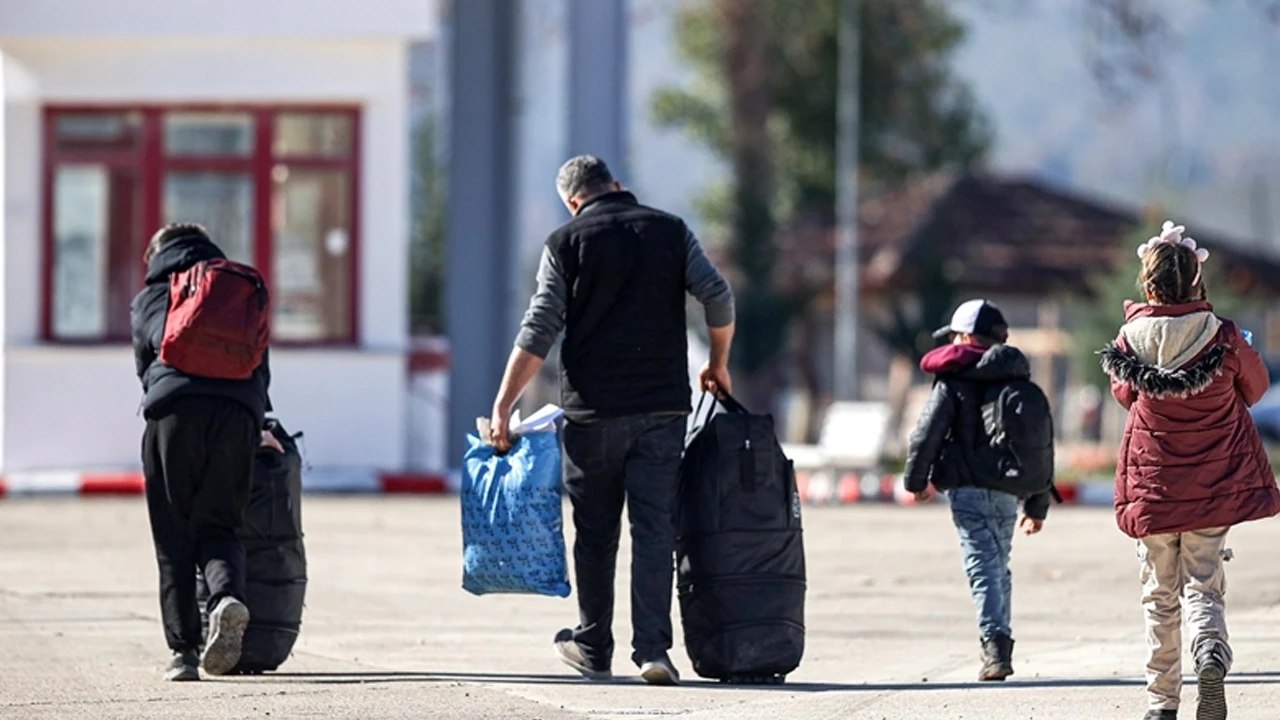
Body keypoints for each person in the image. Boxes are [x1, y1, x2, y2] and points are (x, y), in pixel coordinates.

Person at [488, 155, 735, 685]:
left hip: (592, 414)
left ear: (574, 201)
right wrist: (717, 364)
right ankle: (653, 652)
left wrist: (504, 405)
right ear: (617, 186)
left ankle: (594, 645)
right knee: (654, 531)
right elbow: (718, 295)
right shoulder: (670, 230)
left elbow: (539, 329)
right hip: (662, 409)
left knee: (595, 534)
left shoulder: (565, 243)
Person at [1099, 221, 1280, 720]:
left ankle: (1161, 703)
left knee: (1158, 593)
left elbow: (1123, 394)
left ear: (1148, 285)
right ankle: (1210, 652)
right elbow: (1257, 388)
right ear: (1196, 282)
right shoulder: (1221, 336)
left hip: (1153, 485)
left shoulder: (1128, 338)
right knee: (1204, 582)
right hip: (1212, 483)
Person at [130, 223, 274, 681]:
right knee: (220, 523)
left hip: (174, 413)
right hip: (238, 414)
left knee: (174, 534)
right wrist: (261, 422)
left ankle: (183, 653)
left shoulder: (154, 293)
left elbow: (148, 360)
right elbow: (259, 363)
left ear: (156, 254)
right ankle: (224, 597)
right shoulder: (238, 286)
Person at [902, 299, 1052, 682]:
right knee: (997, 564)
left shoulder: (954, 379)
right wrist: (1037, 503)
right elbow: (1039, 445)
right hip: (1008, 489)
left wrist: (916, 482)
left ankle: (996, 645)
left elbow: (927, 433)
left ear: (966, 336)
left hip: (968, 488)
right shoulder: (1019, 379)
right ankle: (999, 641)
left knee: (982, 565)